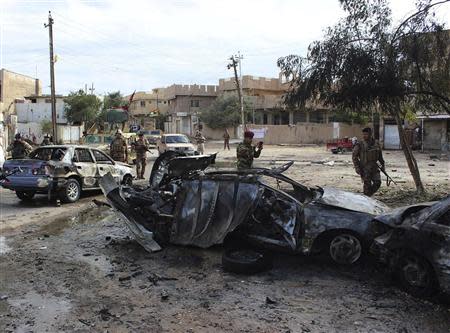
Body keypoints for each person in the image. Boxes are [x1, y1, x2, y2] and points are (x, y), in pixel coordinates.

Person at [352, 127, 385, 197]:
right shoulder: (360, 144)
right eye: (363, 134)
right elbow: (354, 157)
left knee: (377, 183)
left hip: (374, 167)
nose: (364, 136)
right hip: (365, 168)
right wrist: (357, 168)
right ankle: (367, 197)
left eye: (366, 134)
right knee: (367, 186)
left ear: (370, 134)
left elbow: (380, 156)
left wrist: (383, 165)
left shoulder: (376, 143)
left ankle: (368, 195)